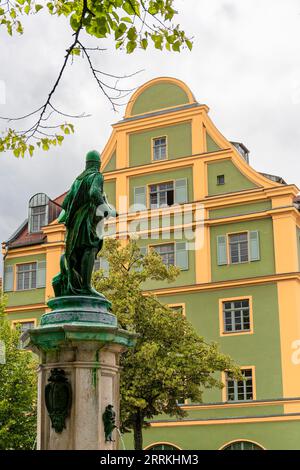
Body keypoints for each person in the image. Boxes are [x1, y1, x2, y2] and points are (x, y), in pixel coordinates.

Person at [52, 150, 117, 297]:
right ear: (98, 164)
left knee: (78, 253)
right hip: (86, 220)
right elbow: (94, 193)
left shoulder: (77, 180)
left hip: (74, 224)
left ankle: (80, 285)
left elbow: (66, 203)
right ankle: (87, 286)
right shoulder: (97, 176)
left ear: (86, 164)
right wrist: (105, 209)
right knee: (91, 247)